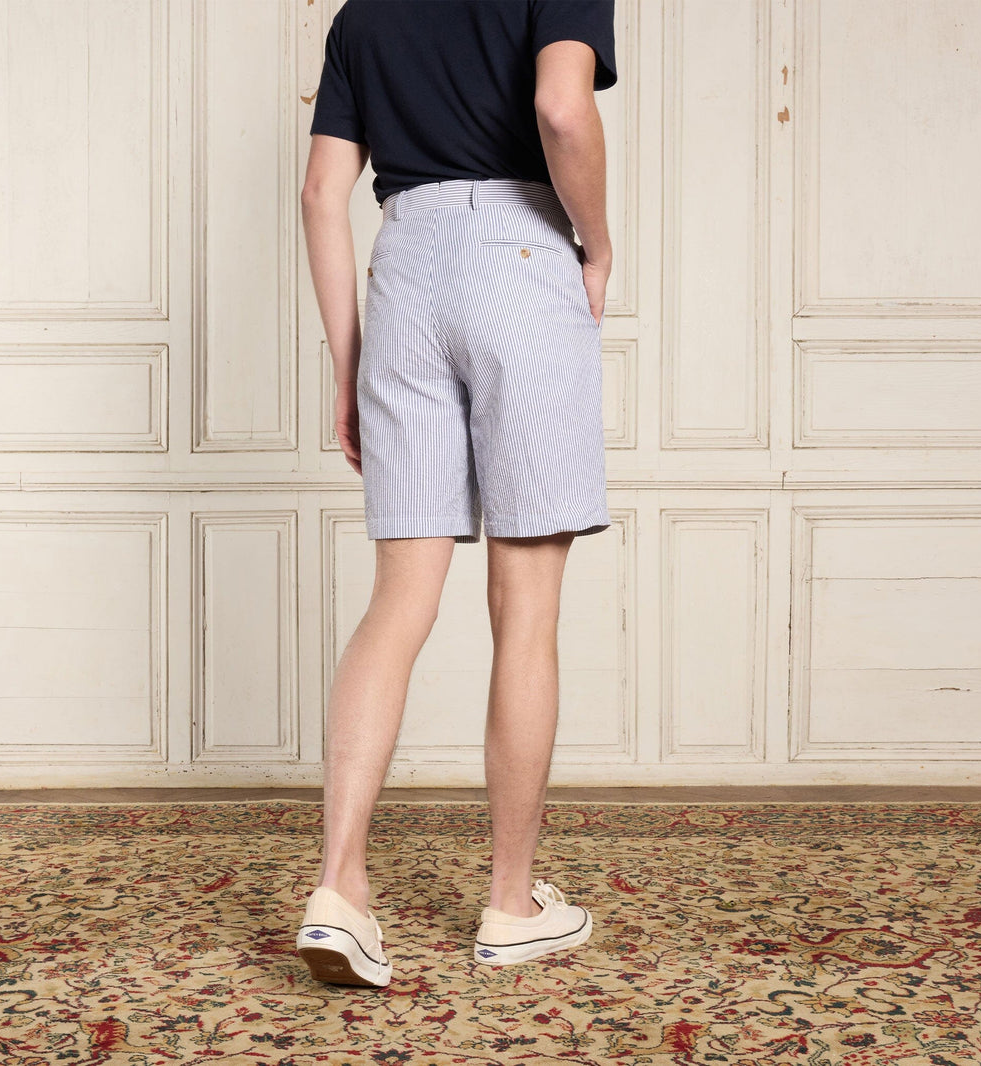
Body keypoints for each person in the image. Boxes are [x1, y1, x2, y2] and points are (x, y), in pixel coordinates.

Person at [296, 0, 617, 987]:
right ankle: (510, 906)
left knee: (398, 600)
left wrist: (348, 364)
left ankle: (338, 889)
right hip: (519, 250)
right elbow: (561, 109)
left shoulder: (361, 16)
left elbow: (322, 193)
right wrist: (597, 243)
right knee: (526, 607)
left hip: (404, 266)